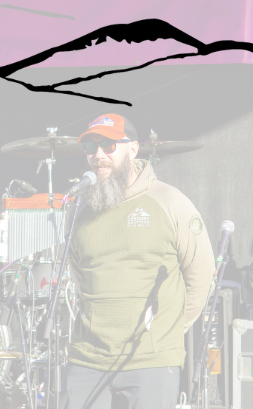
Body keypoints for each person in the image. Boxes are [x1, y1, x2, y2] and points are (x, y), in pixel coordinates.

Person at [61, 113, 216, 409]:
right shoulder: (79, 209)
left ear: (133, 149)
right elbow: (79, 274)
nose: (98, 155)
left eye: (109, 145)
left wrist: (171, 329)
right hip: (87, 359)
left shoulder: (169, 201)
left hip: (149, 360)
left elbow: (201, 272)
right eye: (90, 147)